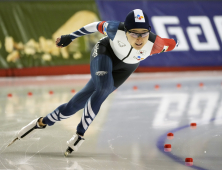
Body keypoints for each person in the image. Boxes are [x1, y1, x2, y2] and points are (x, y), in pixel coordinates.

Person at [9, 9, 178, 156]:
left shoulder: (155, 44)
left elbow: (172, 43)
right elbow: (94, 25)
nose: (139, 38)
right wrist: (71, 36)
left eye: (143, 33)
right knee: (103, 88)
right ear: (125, 31)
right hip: (105, 53)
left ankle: (41, 122)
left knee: (73, 106)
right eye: (134, 33)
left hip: (126, 68)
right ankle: (80, 134)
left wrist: (176, 42)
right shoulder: (114, 29)